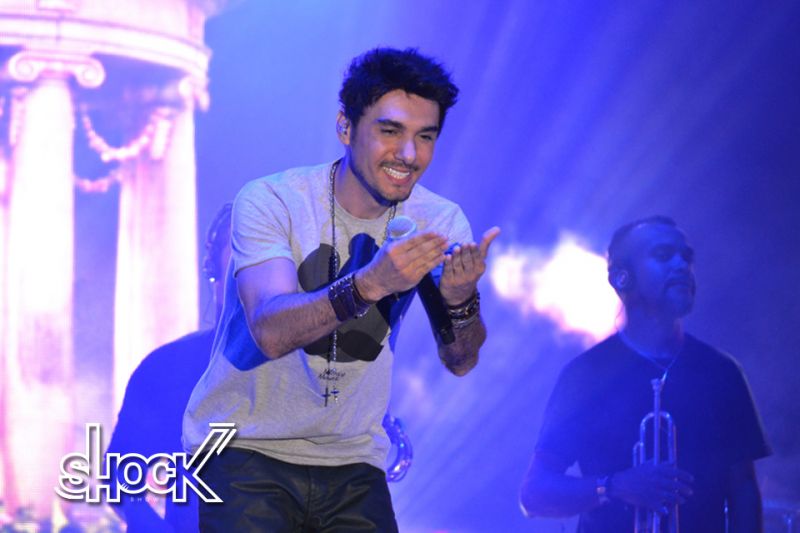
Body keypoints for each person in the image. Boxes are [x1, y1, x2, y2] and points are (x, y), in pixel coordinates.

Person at [182, 47, 499, 532]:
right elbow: (270, 331)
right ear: (346, 128)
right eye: (390, 131)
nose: (409, 155)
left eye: (425, 137)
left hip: (353, 459)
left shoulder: (439, 219)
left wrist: (461, 302)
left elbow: (461, 360)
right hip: (245, 448)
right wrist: (372, 282)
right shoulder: (271, 200)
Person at [520, 216, 770, 533]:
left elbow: (743, 490)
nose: (682, 265)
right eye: (664, 255)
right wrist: (612, 487)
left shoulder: (722, 372)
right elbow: (534, 494)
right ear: (622, 278)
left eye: (686, 257)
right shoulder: (584, 376)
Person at [105, 203, 232, 532]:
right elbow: (118, 477)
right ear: (213, 271)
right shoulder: (169, 367)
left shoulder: (315, 370)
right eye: (241, 250)